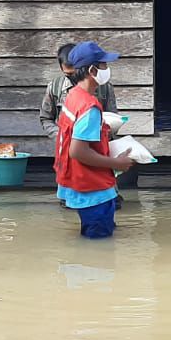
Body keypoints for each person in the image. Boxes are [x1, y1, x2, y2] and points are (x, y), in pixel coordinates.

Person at [55, 41, 135, 238]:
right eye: (104, 65)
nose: (107, 70)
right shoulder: (89, 107)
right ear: (92, 70)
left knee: (91, 241)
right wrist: (116, 163)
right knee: (100, 246)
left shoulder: (73, 96)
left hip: (79, 183)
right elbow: (78, 151)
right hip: (93, 190)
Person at [40, 43, 117, 139]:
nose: (74, 78)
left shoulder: (104, 88)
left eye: (75, 73)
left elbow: (113, 118)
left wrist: (101, 132)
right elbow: (46, 118)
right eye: (69, 74)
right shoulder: (55, 87)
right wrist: (62, 137)